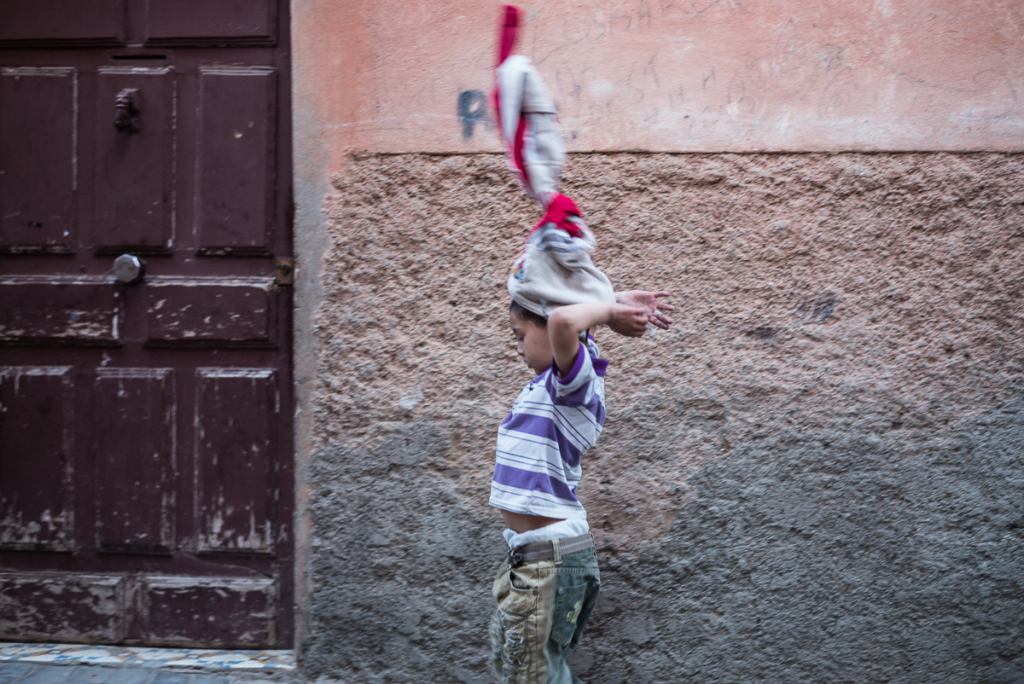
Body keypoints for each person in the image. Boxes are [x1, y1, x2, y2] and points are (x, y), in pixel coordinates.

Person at [488, 289, 673, 683]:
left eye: (520, 335)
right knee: (520, 666)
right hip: (534, 556)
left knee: (532, 674)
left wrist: (608, 310)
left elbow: (563, 320)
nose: (518, 348)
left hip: (549, 561)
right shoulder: (550, 385)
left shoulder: (572, 386)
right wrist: (614, 298)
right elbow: (562, 312)